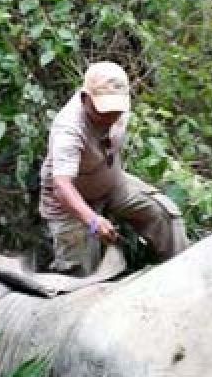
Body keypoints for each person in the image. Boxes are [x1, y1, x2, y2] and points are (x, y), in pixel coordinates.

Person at [39, 61, 187, 275]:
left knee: (163, 215)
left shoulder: (119, 107)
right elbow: (62, 187)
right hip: (69, 202)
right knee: (81, 274)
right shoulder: (69, 129)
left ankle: (179, 272)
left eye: (115, 111)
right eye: (103, 111)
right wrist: (93, 221)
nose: (110, 118)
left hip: (111, 185)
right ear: (85, 98)